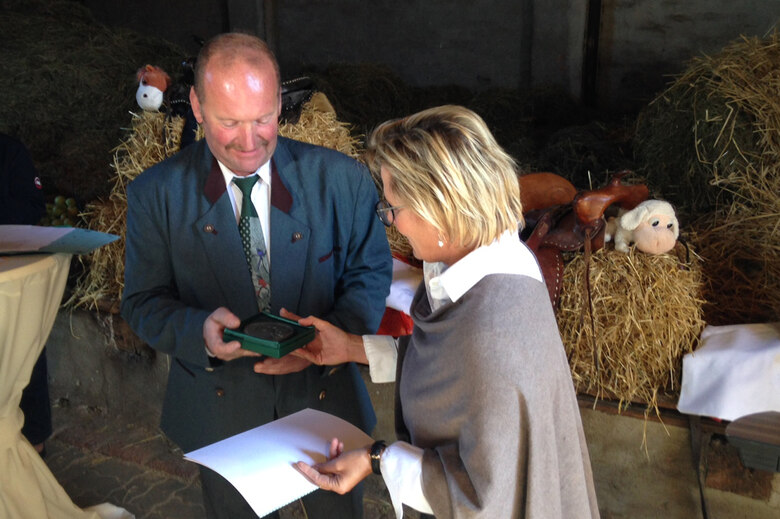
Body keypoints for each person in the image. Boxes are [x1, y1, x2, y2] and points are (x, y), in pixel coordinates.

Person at [119, 32, 392, 519]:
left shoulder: (343, 180)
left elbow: (369, 271)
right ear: (198, 107)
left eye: (264, 118)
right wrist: (197, 332)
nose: (250, 142)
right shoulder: (154, 194)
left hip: (325, 402)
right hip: (223, 417)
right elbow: (142, 301)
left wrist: (326, 341)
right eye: (229, 122)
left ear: (280, 102)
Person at [291, 105, 600, 518]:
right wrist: (350, 347)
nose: (392, 223)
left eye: (393, 209)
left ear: (438, 209)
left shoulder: (490, 332)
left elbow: (479, 499)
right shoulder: (501, 262)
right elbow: (451, 368)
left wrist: (376, 459)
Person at [0, 132, 52, 457]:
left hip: (12, 284)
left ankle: (34, 447)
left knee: (25, 358)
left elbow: (34, 208)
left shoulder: (10, 152)